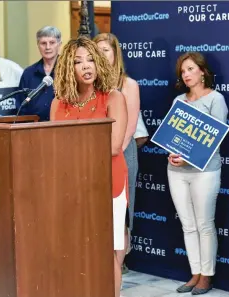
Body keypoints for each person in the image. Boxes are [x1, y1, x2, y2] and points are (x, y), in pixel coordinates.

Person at [49, 36, 128, 297]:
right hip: (71, 185)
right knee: (75, 250)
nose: (87, 66)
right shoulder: (58, 103)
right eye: (78, 61)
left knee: (107, 250)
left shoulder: (112, 97)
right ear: (67, 68)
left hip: (108, 183)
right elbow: (53, 147)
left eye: (91, 59)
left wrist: (71, 150)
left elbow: (114, 146)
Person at [167, 52, 228, 295]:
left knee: (204, 224)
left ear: (202, 72)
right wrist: (171, 154)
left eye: (191, 69)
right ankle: (194, 273)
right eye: (183, 71)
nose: (187, 74)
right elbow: (171, 135)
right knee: (188, 225)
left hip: (205, 171)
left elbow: (215, 139)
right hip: (176, 171)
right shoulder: (178, 101)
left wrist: (189, 156)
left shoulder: (216, 99)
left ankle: (207, 276)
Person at [94, 33, 140, 238]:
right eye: (97, 51)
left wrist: (112, 154)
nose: (101, 55)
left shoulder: (128, 85)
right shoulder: (90, 84)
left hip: (121, 152)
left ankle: (121, 259)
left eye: (105, 50)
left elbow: (130, 128)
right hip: (95, 155)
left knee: (122, 207)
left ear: (115, 54)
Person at [17, 26, 62, 121]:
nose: (48, 47)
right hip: (34, 128)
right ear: (38, 45)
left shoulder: (68, 70)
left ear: (59, 44)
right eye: (43, 43)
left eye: (52, 43)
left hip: (62, 126)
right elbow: (21, 106)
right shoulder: (28, 73)